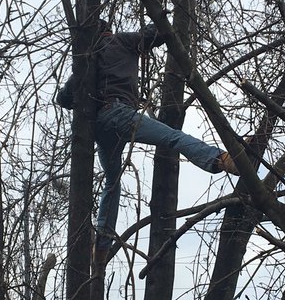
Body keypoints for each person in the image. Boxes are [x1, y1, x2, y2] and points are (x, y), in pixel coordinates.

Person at [58, 24, 237, 263]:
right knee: (173, 137)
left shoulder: (87, 60)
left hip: (99, 126)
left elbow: (63, 98)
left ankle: (102, 244)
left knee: (112, 181)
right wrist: (156, 21)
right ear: (108, 32)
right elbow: (157, 33)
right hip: (121, 114)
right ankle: (221, 159)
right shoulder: (120, 41)